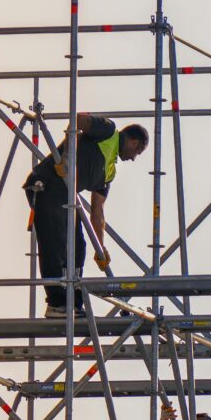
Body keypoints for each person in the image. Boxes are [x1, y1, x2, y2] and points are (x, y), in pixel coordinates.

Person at [23, 113, 149, 318]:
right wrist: (66, 155)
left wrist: (101, 248)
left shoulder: (109, 171)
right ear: (134, 142)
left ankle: (72, 301)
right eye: (137, 152)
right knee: (55, 244)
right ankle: (56, 303)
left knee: (78, 247)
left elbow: (98, 212)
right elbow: (79, 119)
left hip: (66, 196)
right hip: (46, 185)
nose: (134, 158)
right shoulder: (108, 131)